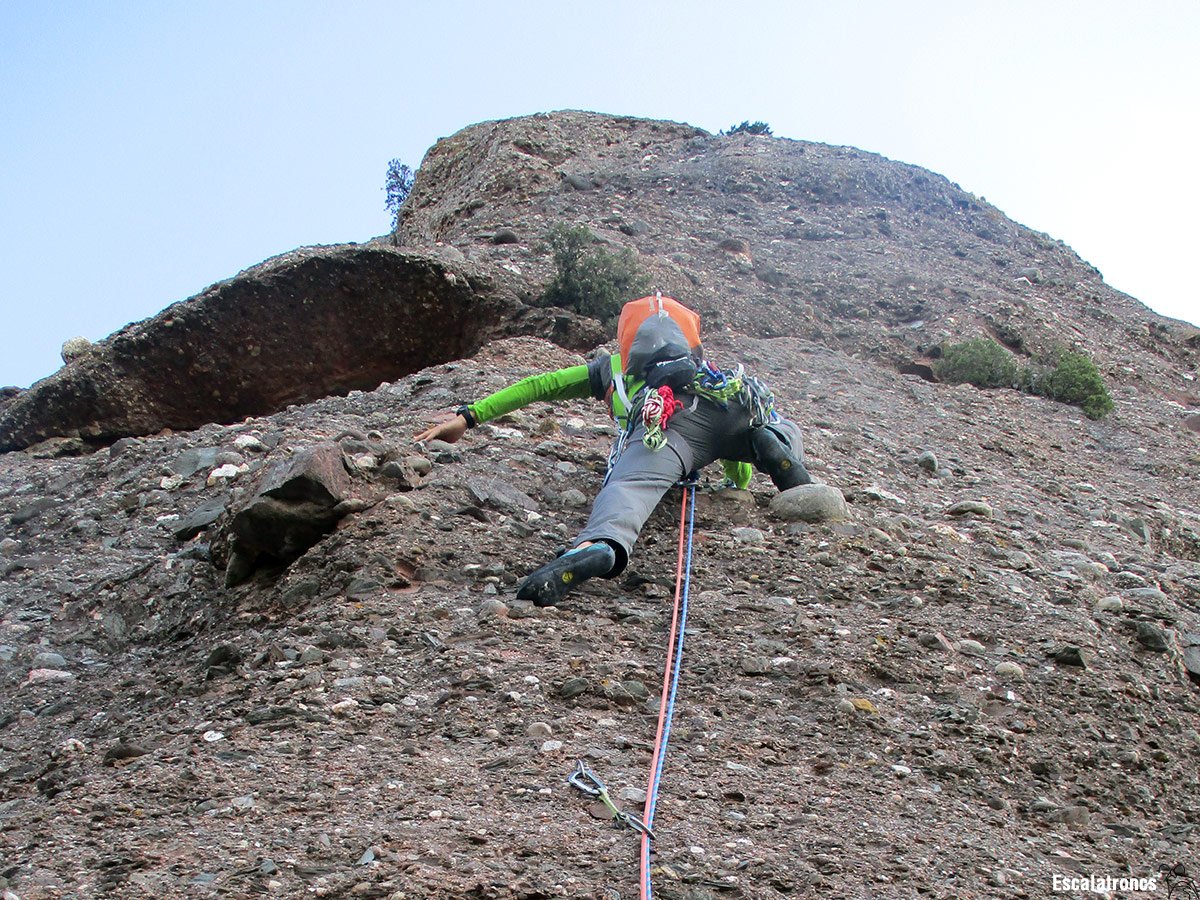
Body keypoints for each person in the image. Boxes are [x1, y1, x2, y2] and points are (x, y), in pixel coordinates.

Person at [414, 295, 811, 606]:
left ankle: (600, 546)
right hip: (730, 407)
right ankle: (776, 445)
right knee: (772, 428)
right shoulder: (702, 368)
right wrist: (737, 479)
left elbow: (540, 385)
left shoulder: (610, 369)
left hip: (668, 423)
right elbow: (733, 464)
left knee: (628, 489)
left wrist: (469, 416)